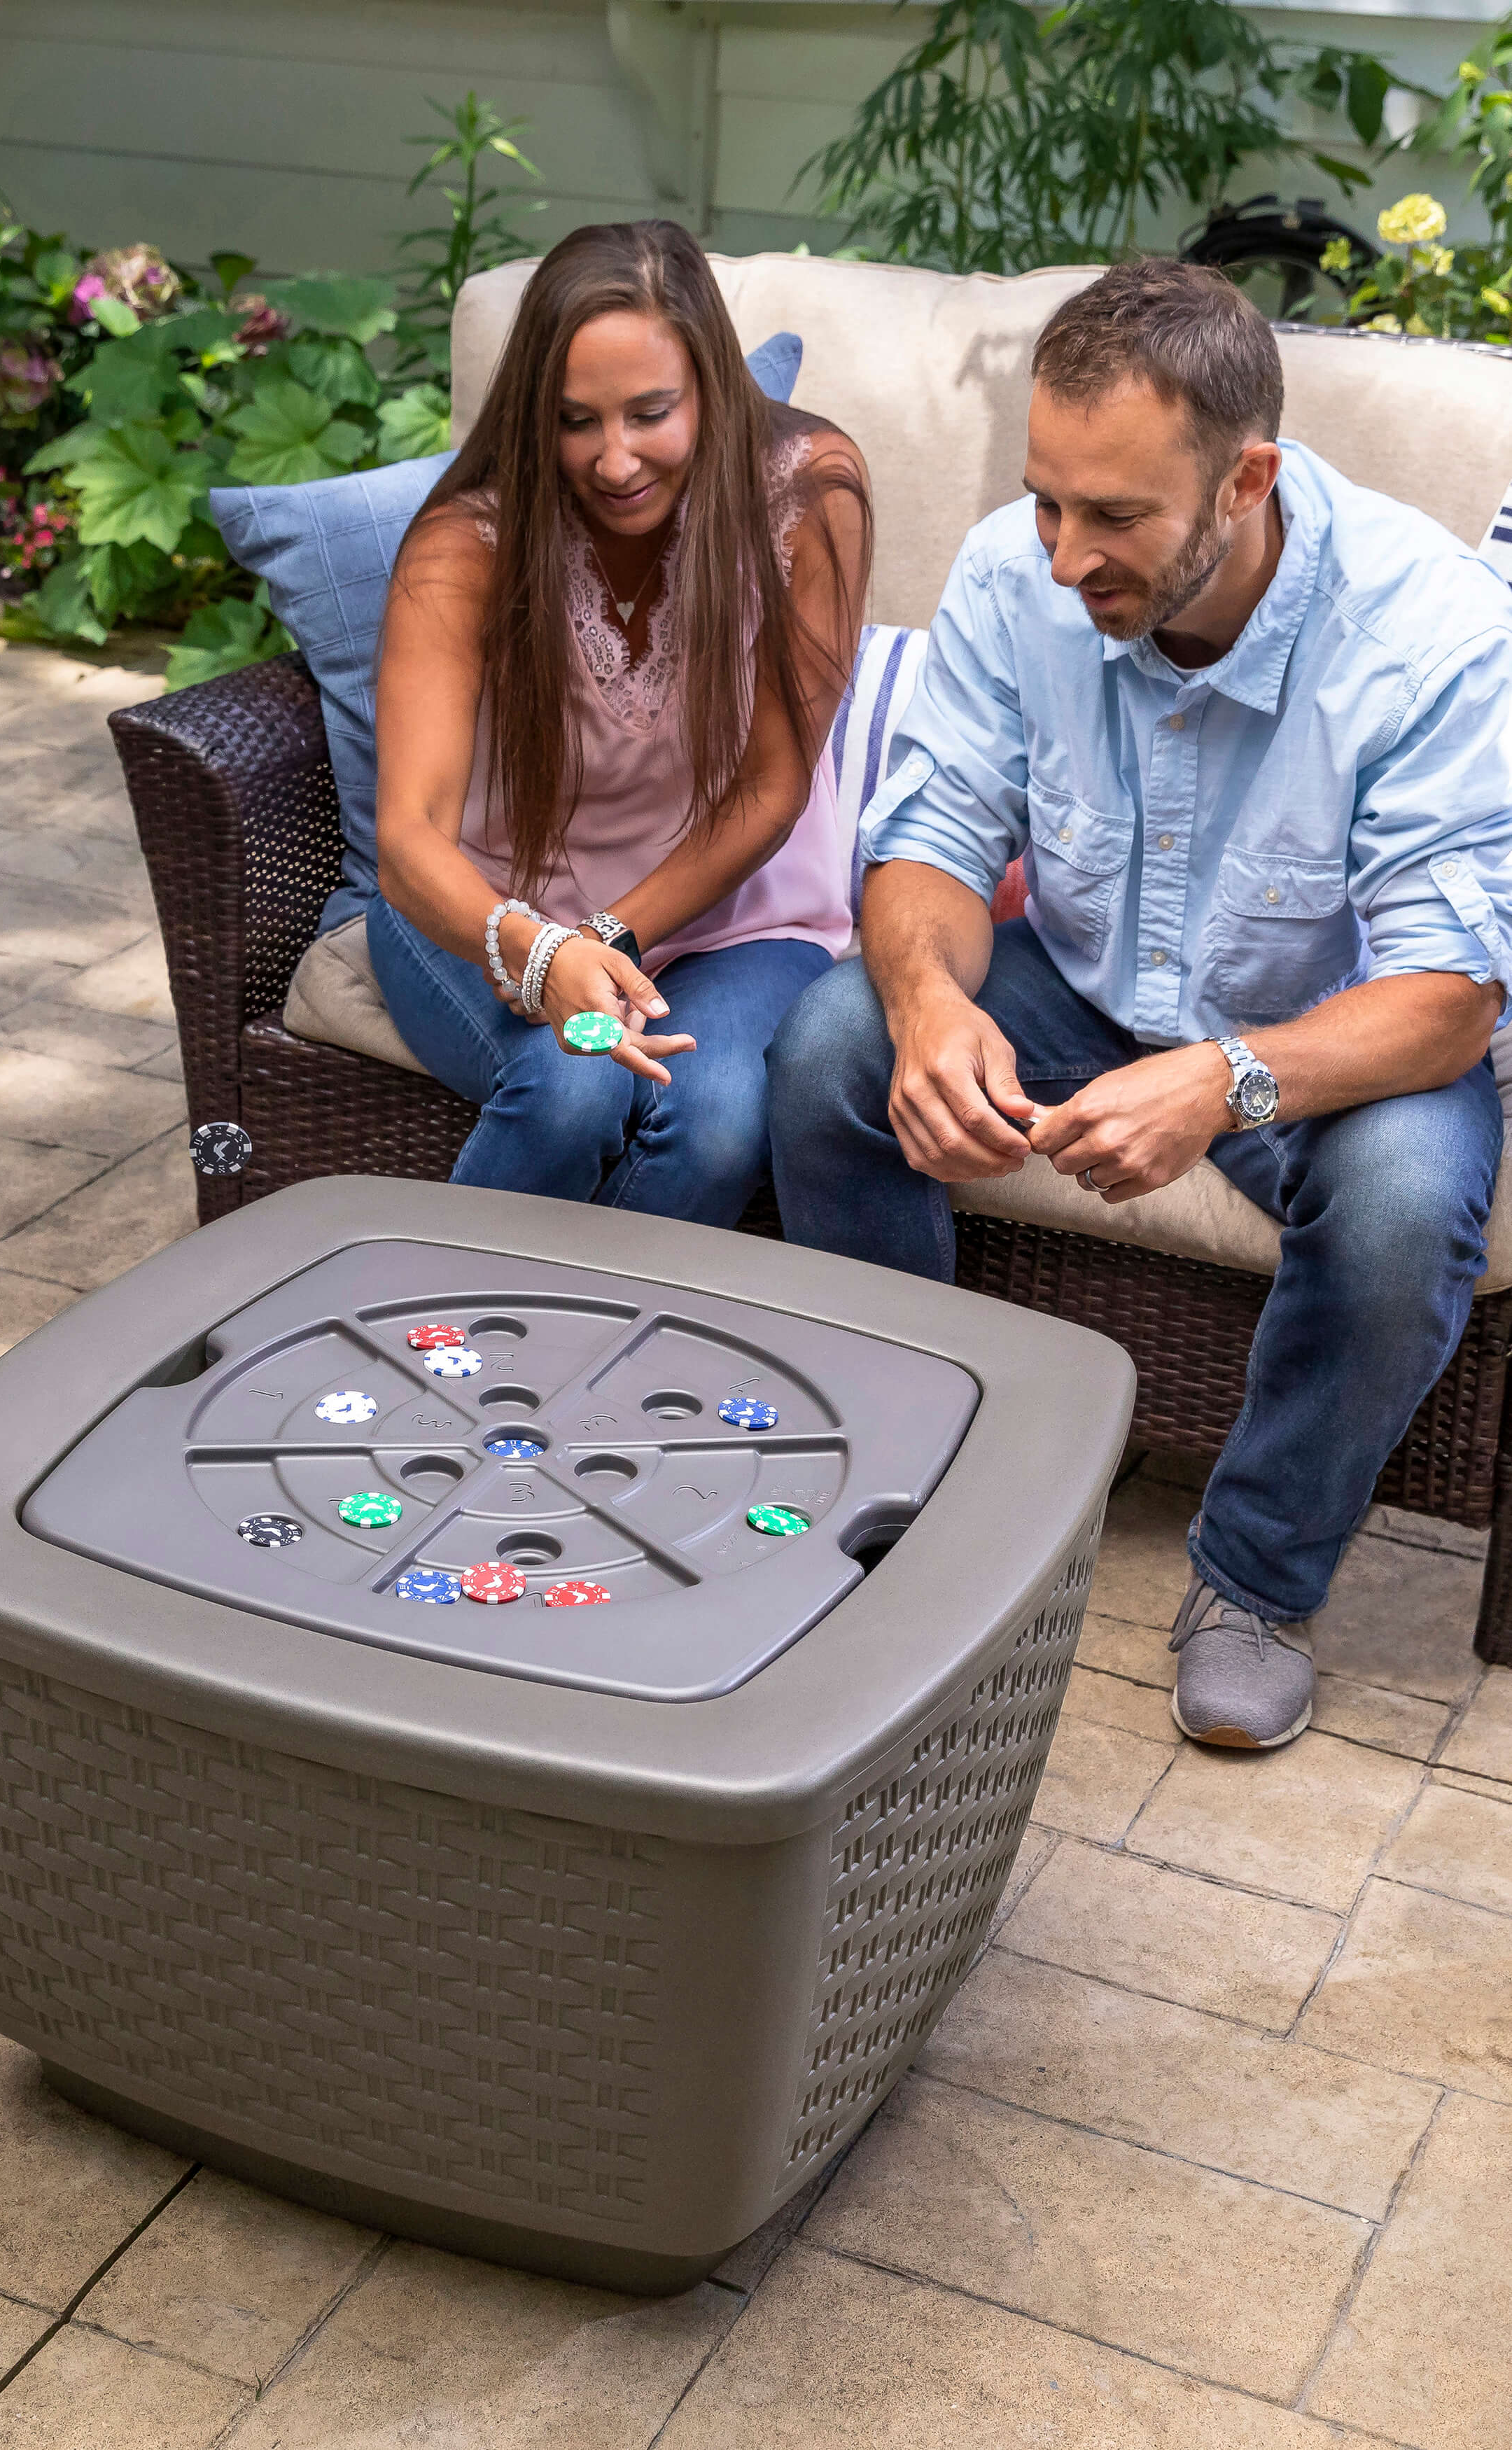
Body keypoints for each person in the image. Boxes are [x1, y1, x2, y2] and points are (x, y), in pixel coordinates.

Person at [768, 259, 1512, 1752]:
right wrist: (926, 1007)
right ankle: (920, 1471)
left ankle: (1252, 1582)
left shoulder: (1429, 631)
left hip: (1327, 1038)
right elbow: (927, 846)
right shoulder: (1007, 575)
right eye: (1046, 499)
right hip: (1086, 978)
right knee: (832, 1044)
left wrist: (1218, 1082)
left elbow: (1448, 1001)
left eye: (1111, 518)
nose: (1058, 557)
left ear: (1246, 479)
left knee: (1405, 1196)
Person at [369, 220, 869, 1225]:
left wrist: (608, 937)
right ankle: (447, 1351)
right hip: (493, 910)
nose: (615, 460)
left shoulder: (812, 493)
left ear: (712, 389)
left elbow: (775, 787)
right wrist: (544, 952)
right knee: (573, 1087)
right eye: (574, 420)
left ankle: (587, 1368)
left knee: (720, 1121)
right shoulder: (468, 541)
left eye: (651, 412)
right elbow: (408, 835)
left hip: (734, 918)